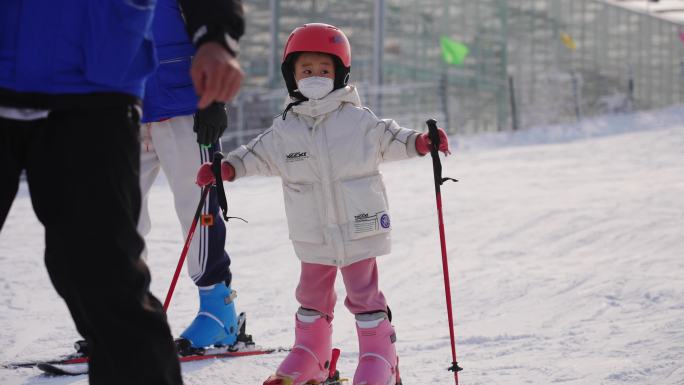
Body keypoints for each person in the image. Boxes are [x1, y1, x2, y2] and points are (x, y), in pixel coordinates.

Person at [0, 1, 244, 384]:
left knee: (193, 206)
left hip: (164, 98)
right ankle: (113, 321)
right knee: (123, 224)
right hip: (132, 101)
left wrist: (216, 62)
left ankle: (218, 309)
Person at [195, 23, 451, 385]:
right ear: (292, 77)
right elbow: (253, 155)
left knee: (364, 293)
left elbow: (393, 138)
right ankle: (311, 354)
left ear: (340, 73)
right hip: (312, 231)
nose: (315, 77)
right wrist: (226, 168)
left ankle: (380, 356)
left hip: (359, 224)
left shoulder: (359, 121)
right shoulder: (285, 130)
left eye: (324, 70)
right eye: (306, 70)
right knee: (312, 291)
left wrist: (424, 142)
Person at [139, 0, 244, 350]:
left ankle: (218, 314)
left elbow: (212, 15)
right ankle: (119, 316)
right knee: (113, 217)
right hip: (125, 105)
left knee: (198, 211)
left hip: (186, 106)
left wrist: (214, 101)